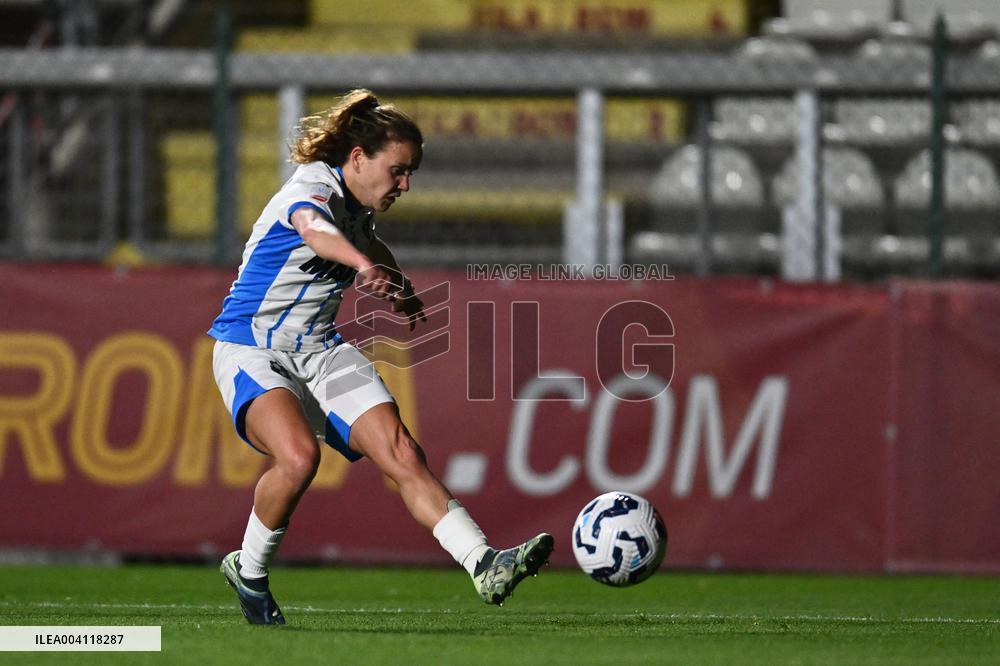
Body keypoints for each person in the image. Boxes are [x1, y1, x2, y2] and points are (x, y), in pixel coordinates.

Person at [207, 89, 553, 625]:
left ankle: (484, 562)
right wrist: (361, 266)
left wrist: (397, 281)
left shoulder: (357, 209)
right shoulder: (312, 188)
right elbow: (315, 232)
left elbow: (368, 242)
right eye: (398, 171)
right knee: (298, 458)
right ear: (358, 158)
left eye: (410, 173)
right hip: (252, 349)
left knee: (402, 454)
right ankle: (248, 569)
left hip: (321, 350)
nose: (405, 185)